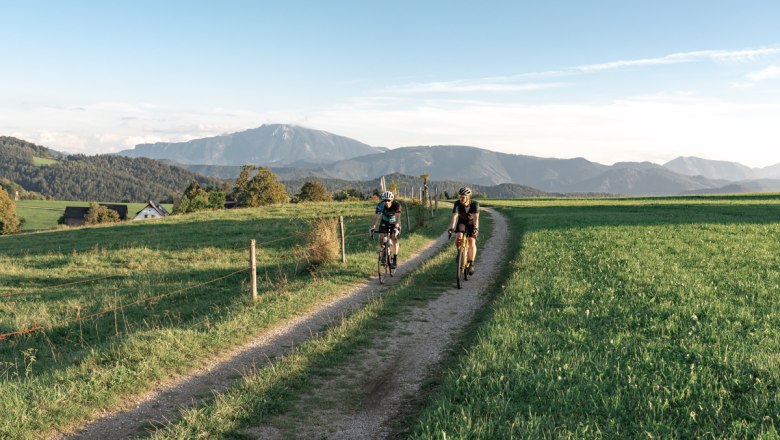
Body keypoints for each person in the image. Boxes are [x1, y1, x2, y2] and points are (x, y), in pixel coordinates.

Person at [448, 187, 479, 275]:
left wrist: (476, 229)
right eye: (460, 197)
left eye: (463, 197)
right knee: (459, 237)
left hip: (472, 223)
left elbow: (476, 218)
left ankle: (471, 263)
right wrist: (451, 228)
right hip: (462, 222)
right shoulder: (457, 204)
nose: (461, 198)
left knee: (471, 241)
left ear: (468, 197)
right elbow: (454, 216)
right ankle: (460, 253)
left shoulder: (475, 204)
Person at [370, 191, 402, 269]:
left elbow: (398, 217)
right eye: (385, 200)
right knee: (381, 237)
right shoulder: (381, 205)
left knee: (393, 237)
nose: (387, 202)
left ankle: (394, 259)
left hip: (394, 222)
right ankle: (384, 252)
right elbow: (377, 216)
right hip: (384, 221)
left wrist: (396, 228)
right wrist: (373, 227)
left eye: (388, 200)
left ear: (391, 200)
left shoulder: (396, 205)